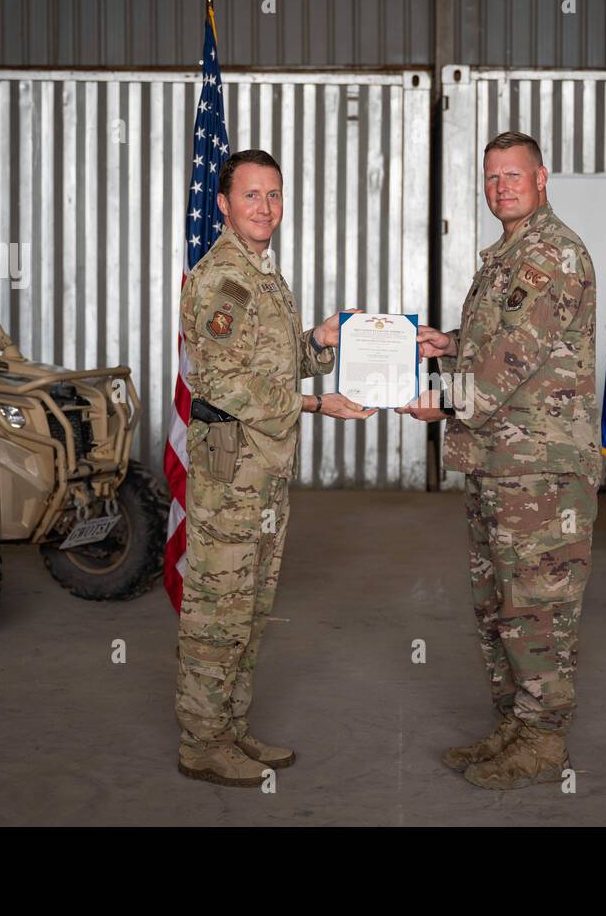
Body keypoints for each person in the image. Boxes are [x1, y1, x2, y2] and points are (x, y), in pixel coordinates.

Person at [398, 131, 600, 790]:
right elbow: (500, 342)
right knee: (499, 605)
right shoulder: (508, 256)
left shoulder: (552, 256)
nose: (501, 187)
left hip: (540, 472)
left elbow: (505, 366)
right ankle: (515, 725)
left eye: (513, 176)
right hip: (499, 463)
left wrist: (442, 399)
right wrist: (446, 343)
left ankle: (544, 742)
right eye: (491, 178)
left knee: (535, 605)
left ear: (542, 178)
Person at [177, 148, 376, 787]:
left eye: (274, 195)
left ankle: (231, 729)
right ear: (224, 205)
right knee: (218, 608)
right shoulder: (222, 280)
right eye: (252, 196)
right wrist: (317, 401)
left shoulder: (264, 273)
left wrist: (317, 342)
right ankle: (201, 742)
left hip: (264, 470)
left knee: (252, 605)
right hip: (229, 472)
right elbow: (220, 381)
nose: (265, 208)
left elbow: (274, 363)